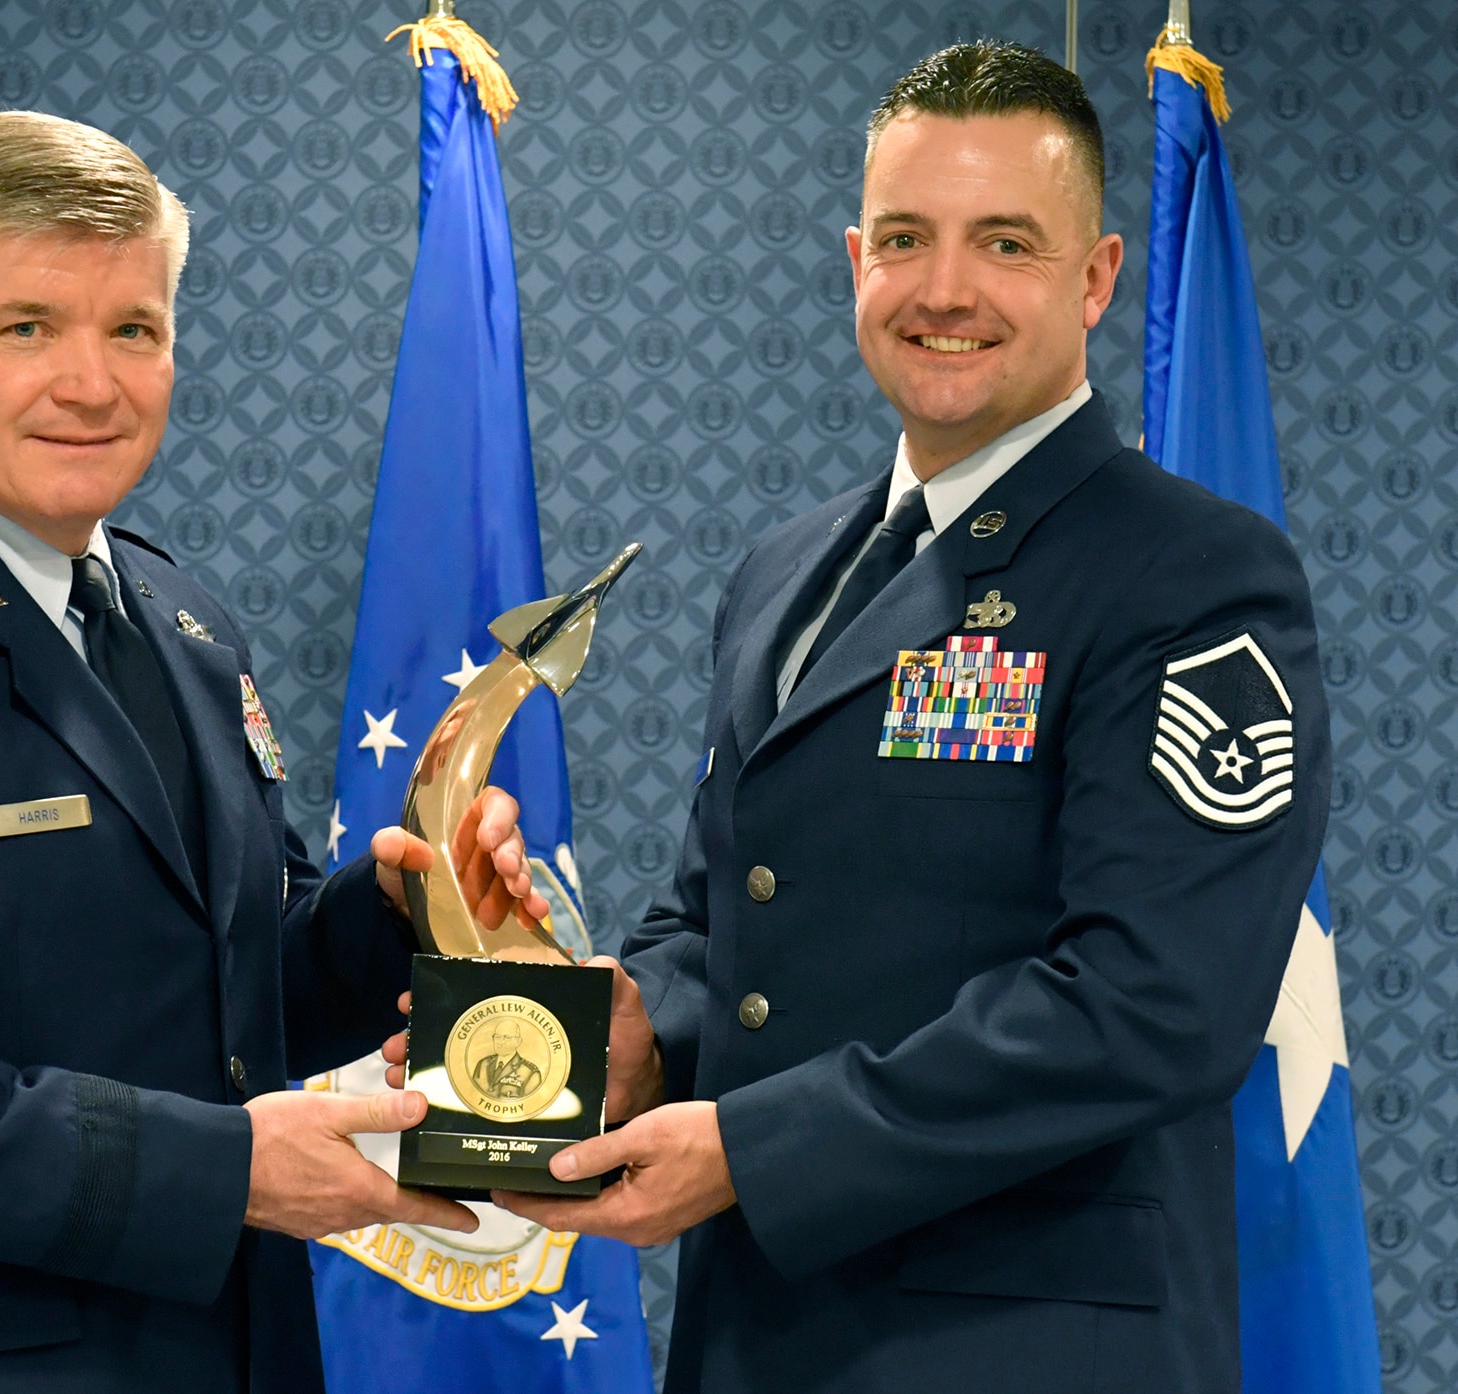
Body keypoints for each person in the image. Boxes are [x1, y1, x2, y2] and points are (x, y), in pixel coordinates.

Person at [406, 43, 1330, 1392]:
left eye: (1005, 241)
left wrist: (754, 1151)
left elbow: (1156, 1002)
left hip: (1023, 1345)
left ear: (1096, 278)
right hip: (759, 1336)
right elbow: (725, 908)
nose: (944, 289)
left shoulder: (1193, 575)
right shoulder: (788, 569)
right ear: (856, 260)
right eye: (906, 238)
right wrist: (633, 1028)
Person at [0, 111, 550, 1394]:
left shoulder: (182, 622)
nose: (93, 381)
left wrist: (398, 908)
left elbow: (227, 994)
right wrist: (224, 1168)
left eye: (134, 327)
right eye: (27, 327)